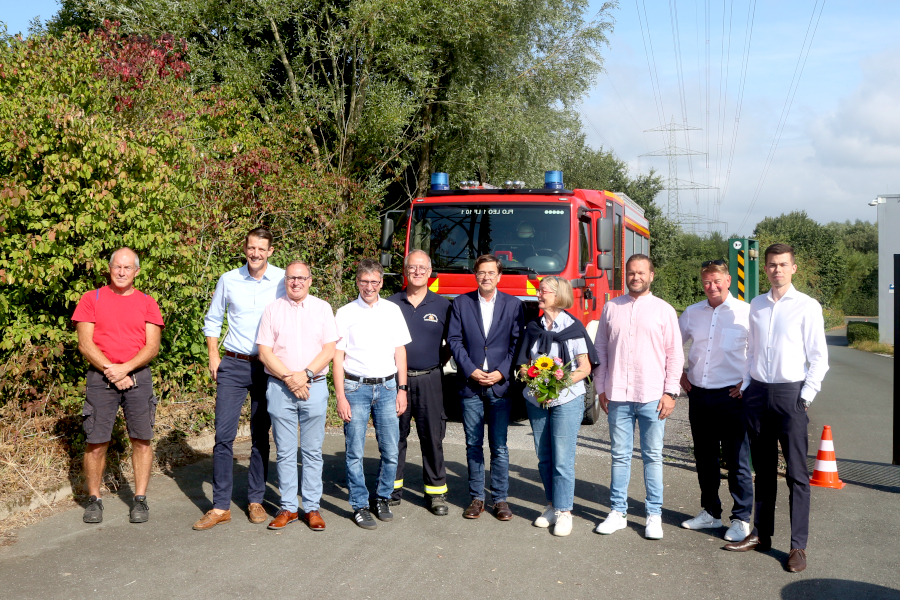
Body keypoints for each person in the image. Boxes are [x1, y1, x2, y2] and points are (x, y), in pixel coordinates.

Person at [724, 243, 829, 573]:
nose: (777, 270)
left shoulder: (807, 306)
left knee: (797, 475)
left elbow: (819, 357)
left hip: (790, 395)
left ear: (793, 268)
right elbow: (751, 351)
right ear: (765, 268)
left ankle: (798, 546)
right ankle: (761, 534)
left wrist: (806, 396)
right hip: (757, 394)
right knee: (764, 472)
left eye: (783, 264)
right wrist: (746, 382)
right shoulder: (756, 305)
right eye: (771, 265)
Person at [193, 228, 285, 531]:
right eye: (251, 248)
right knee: (224, 436)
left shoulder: (284, 281)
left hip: (267, 366)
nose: (255, 253)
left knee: (261, 435)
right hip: (232, 363)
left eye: (262, 248)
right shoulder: (228, 279)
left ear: (270, 252)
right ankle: (220, 506)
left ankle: (255, 499)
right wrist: (213, 356)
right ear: (244, 249)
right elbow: (213, 319)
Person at [593, 254, 683, 540]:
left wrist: (671, 392)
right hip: (618, 393)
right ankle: (618, 511)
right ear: (626, 276)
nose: (636, 277)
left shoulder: (664, 310)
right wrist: (601, 387)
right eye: (631, 273)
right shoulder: (611, 308)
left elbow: (675, 354)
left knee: (652, 456)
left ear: (651, 275)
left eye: (641, 272)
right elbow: (601, 351)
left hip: (653, 395)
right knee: (620, 456)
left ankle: (653, 515)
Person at [73, 247, 165, 524]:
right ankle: (94, 499)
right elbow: (85, 343)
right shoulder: (92, 299)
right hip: (101, 378)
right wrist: (112, 371)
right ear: (110, 269)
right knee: (96, 441)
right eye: (117, 267)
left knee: (141, 439)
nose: (122, 272)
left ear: (137, 271)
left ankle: (139, 499)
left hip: (138, 377)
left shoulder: (148, 302)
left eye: (128, 267)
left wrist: (125, 369)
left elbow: (153, 346)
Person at [256, 261, 337, 531]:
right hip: (281, 387)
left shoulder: (323, 308)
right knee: (286, 451)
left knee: (312, 451)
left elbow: (329, 349)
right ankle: (289, 507)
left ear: (310, 280)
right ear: (285, 280)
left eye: (302, 278)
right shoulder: (272, 310)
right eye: (291, 278)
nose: (296, 282)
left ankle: (312, 507)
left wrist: (306, 374)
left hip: (314, 386)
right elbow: (265, 352)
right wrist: (290, 378)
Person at [515, 276, 598, 536]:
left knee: (563, 459)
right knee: (544, 456)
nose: (538, 294)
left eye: (543, 291)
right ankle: (551, 505)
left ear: (558, 295)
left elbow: (584, 367)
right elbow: (522, 364)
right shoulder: (533, 326)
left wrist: (555, 387)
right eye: (540, 291)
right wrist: (538, 387)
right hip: (536, 399)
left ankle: (565, 512)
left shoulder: (573, 327)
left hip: (567, 398)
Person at [678, 260, 753, 542]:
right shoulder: (692, 312)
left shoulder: (745, 313)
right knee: (705, 459)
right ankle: (710, 512)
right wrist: (679, 377)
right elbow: (671, 344)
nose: (712, 287)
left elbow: (758, 352)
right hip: (699, 395)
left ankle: (741, 519)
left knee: (737, 460)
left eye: (717, 281)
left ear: (728, 280)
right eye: (707, 282)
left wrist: (747, 383)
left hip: (732, 397)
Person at [334, 259, 411, 530]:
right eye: (364, 281)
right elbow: (338, 356)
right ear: (357, 282)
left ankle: (382, 498)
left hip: (389, 388)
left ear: (381, 282)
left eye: (374, 282)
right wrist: (340, 396)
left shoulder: (392, 310)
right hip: (355, 388)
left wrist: (402, 389)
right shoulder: (344, 313)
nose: (369, 287)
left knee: (391, 450)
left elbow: (400, 351)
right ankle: (359, 504)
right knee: (354, 451)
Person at [447, 254, 525, 521]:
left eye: (491, 273)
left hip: (499, 386)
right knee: (472, 444)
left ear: (499, 276)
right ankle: (477, 498)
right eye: (482, 273)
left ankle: (500, 499)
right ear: (476, 276)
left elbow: (517, 344)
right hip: (470, 384)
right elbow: (454, 340)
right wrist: (471, 370)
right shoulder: (461, 303)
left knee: (499, 446)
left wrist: (501, 372)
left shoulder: (514, 305)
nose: (486, 277)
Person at [387, 250, 453, 516]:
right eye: (412, 267)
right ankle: (390, 489)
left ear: (430, 272)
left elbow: (452, 344)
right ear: (405, 270)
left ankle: (436, 493)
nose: (417, 272)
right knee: (394, 437)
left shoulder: (443, 305)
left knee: (432, 437)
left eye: (422, 268)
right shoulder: (390, 304)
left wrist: (435, 362)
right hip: (395, 381)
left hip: (430, 379)